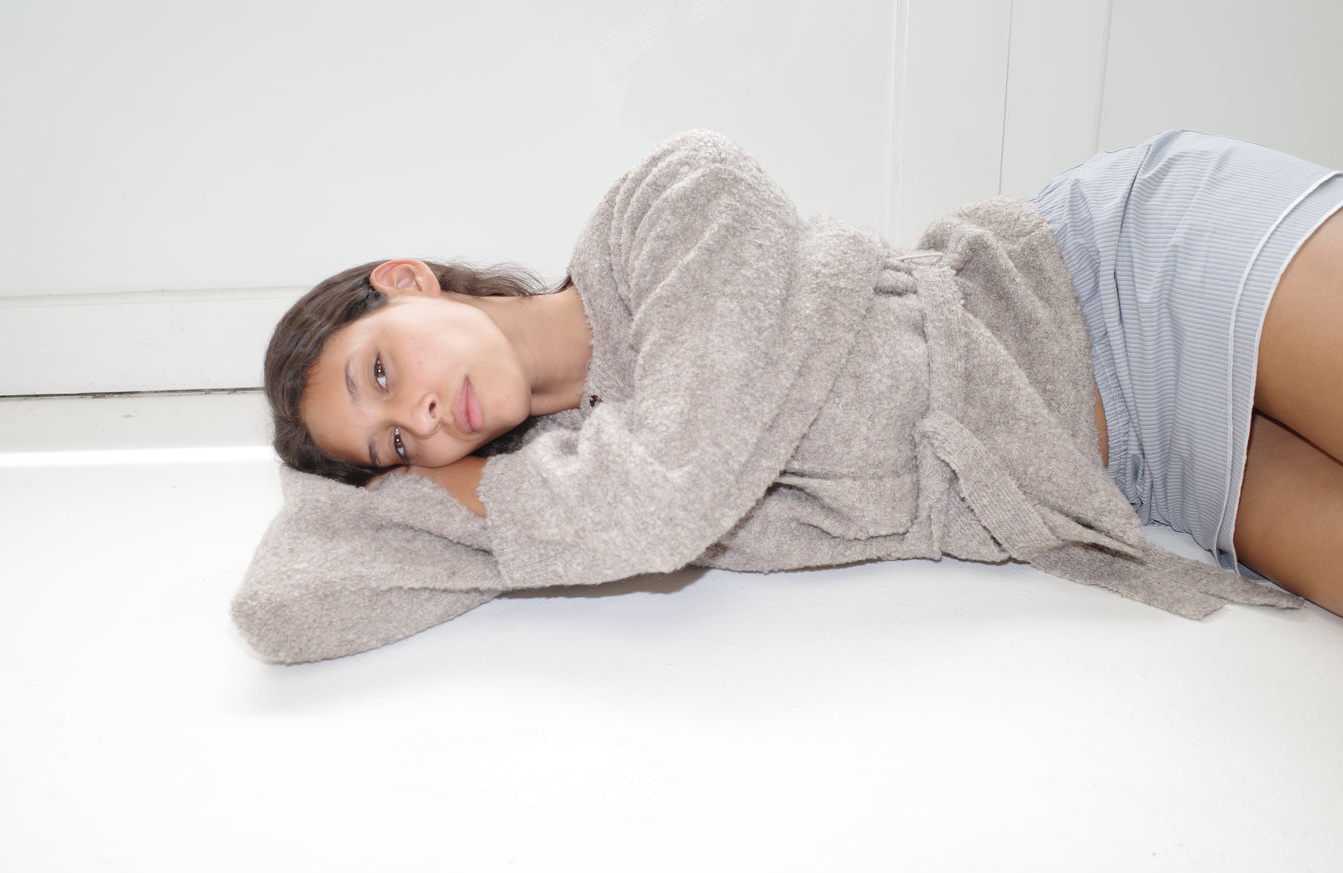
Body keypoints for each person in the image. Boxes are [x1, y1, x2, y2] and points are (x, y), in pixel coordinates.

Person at [234, 130, 1339, 663]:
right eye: (388, 446)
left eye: (383, 370)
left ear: (407, 279)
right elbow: (285, 609)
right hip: (1130, 476)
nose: (419, 418)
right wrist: (373, 479)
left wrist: (455, 484)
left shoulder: (672, 207)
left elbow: (660, 502)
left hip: (1125, 275)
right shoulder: (577, 478)